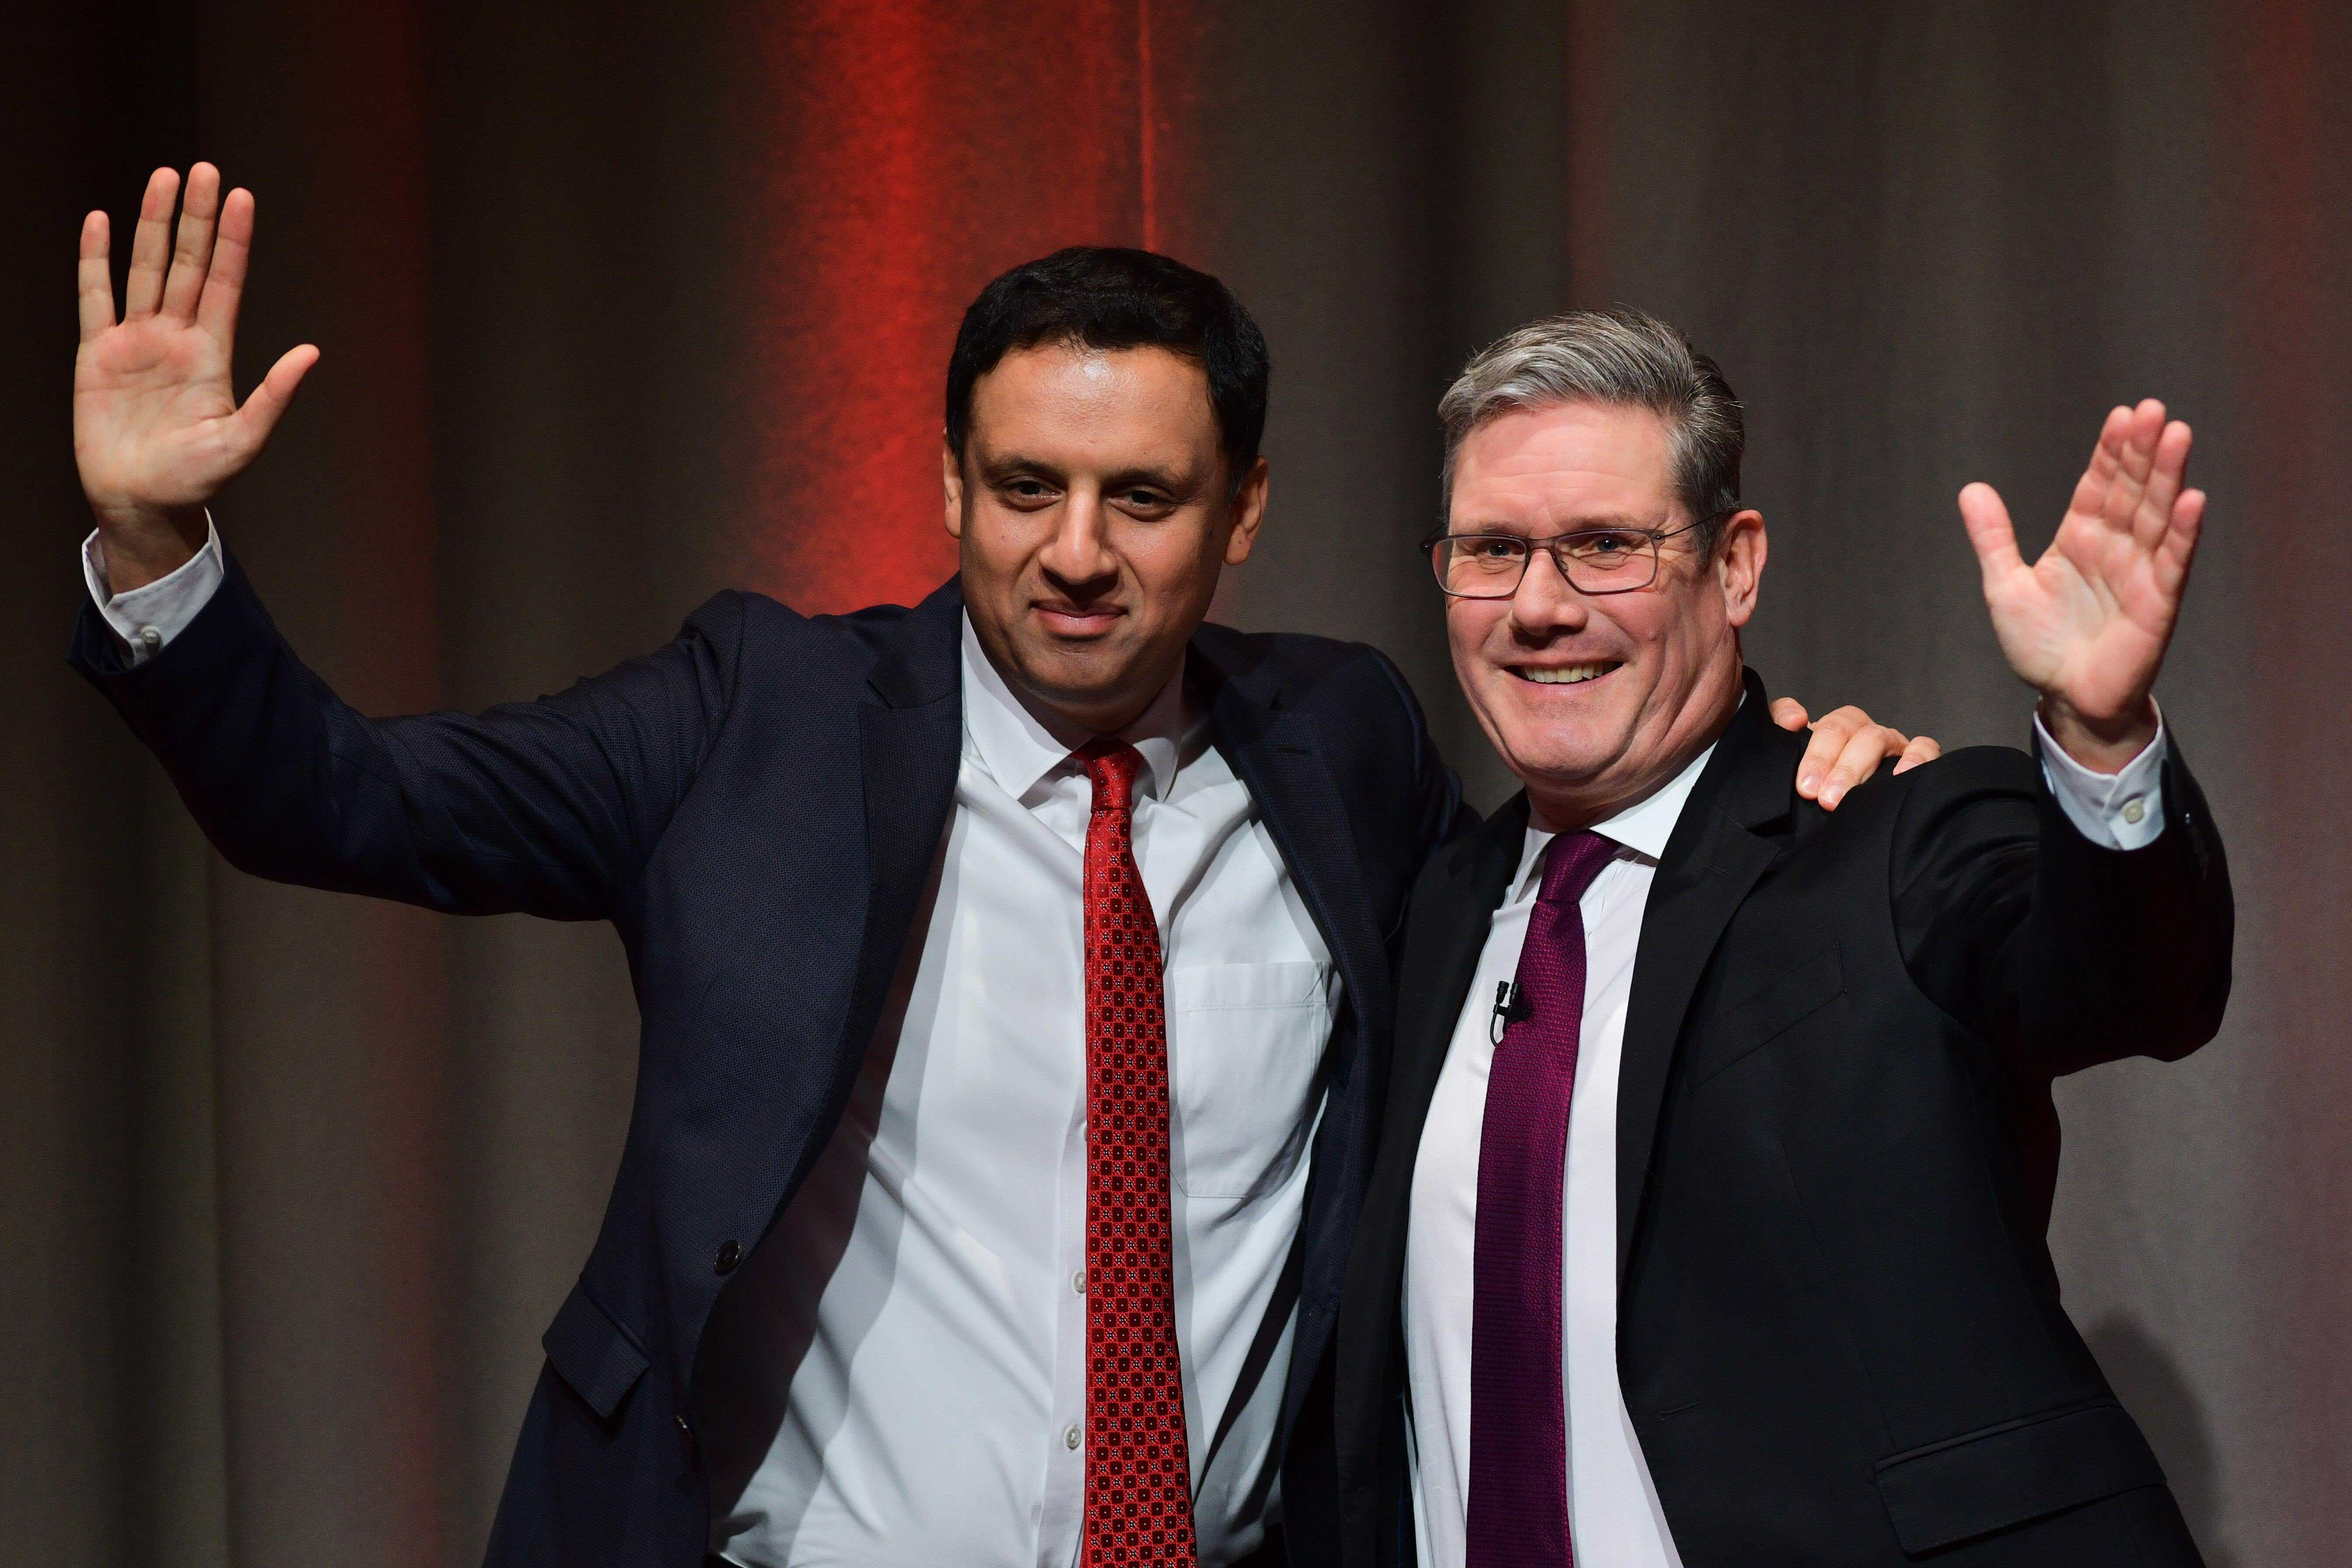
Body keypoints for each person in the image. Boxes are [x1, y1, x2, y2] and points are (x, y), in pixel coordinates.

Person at [68, 166, 1927, 1568]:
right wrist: (157, 545)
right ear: (951, 486)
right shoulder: (759, 716)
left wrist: (1766, 763)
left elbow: (1550, 942)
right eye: (1026, 486)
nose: (1076, 552)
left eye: (1143, 498)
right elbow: (343, 801)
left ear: (1243, 511)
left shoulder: (1342, 741)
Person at [1330, 310, 2233, 1567]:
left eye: (1604, 546)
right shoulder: (1430, 910)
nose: (1537, 606)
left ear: (1736, 567)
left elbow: (2138, 985)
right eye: (1493, 551)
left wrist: (2098, 736)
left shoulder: (1890, 832)